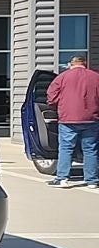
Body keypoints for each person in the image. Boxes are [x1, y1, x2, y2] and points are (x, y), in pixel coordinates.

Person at [45, 55, 99, 188]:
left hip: (68, 118)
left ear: (71, 64)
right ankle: (92, 180)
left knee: (66, 148)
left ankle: (62, 178)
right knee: (90, 149)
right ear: (84, 64)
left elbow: (51, 96)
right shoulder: (95, 77)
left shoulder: (62, 77)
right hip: (91, 118)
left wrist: (57, 105)